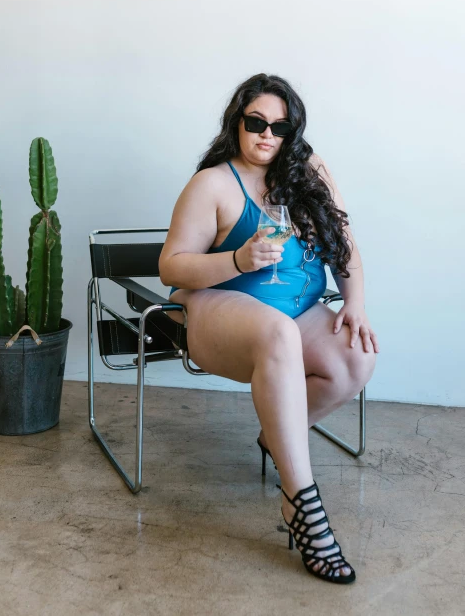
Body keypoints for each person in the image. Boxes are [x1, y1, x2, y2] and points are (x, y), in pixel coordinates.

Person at [159, 73, 379, 584]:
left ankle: (275, 437)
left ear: (292, 131)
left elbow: (343, 243)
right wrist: (238, 258)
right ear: (237, 122)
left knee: (357, 356)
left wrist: (357, 304)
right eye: (256, 122)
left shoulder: (309, 171)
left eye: (279, 127)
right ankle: (302, 505)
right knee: (276, 331)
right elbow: (171, 266)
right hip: (217, 308)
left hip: (295, 312)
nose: (266, 135)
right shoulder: (213, 183)